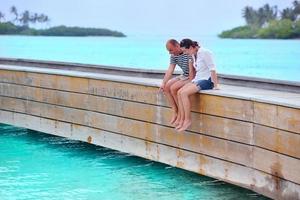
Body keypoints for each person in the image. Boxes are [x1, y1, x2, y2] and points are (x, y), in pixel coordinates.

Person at [176, 39, 220, 132]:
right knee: (179, 92)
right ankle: (182, 119)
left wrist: (216, 85)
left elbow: (212, 69)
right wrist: (191, 82)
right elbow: (196, 71)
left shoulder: (205, 52)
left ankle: (187, 120)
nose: (185, 53)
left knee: (184, 93)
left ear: (191, 47)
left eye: (185, 51)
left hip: (207, 80)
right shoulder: (193, 54)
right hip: (198, 79)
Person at [159, 39, 195, 125]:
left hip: (192, 76)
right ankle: (175, 110)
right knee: (167, 87)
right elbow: (170, 69)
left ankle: (181, 115)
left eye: (171, 50)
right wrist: (163, 83)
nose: (170, 53)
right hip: (184, 75)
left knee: (174, 88)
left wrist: (190, 80)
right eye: (168, 51)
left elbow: (193, 71)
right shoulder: (174, 56)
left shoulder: (187, 52)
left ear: (177, 46)